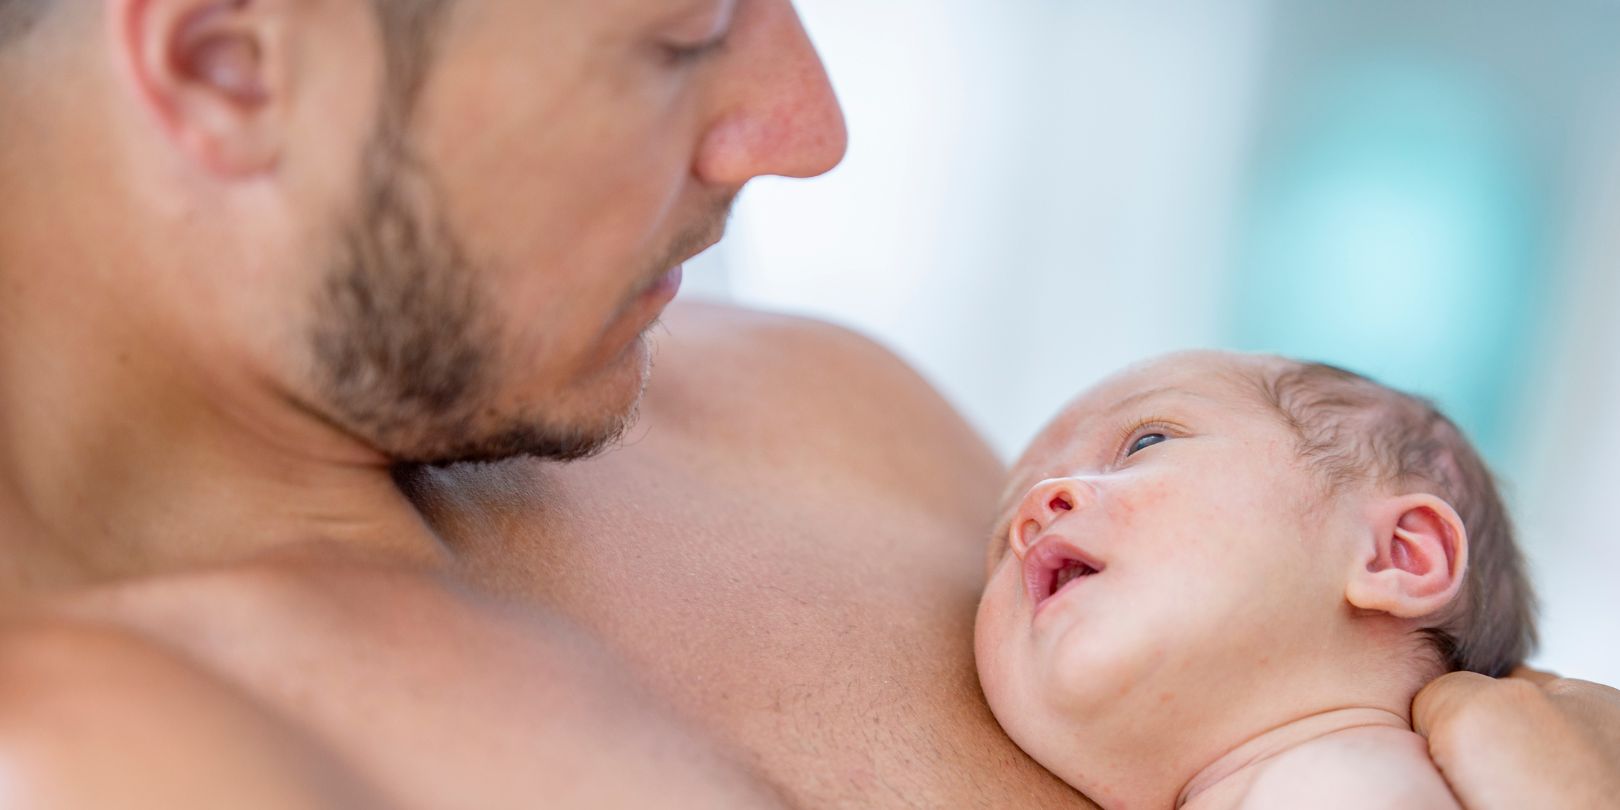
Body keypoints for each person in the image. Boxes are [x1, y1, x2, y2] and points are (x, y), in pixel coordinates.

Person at [0, 1, 1614, 807]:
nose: (803, 125)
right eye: (684, 33)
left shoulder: (830, 418)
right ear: (223, 66)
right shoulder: (95, 744)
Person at [976, 352, 1533, 807]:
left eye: (1145, 444)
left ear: (1396, 556)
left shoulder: (1345, 782)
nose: (1034, 509)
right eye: (1001, 540)